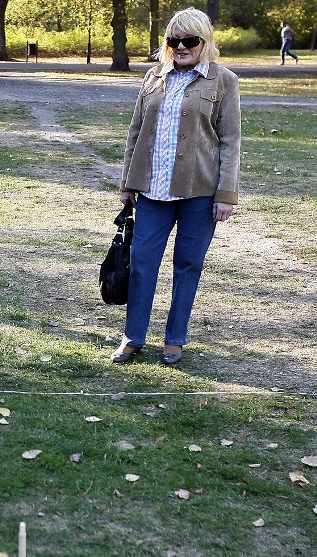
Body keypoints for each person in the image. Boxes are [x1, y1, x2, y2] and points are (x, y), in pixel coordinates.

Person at [112, 7, 241, 366]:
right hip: (152, 191)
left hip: (200, 192)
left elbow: (230, 141)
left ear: (204, 43)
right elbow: (135, 132)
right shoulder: (154, 76)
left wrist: (226, 194)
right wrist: (128, 183)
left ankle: (175, 339)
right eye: (174, 40)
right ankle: (133, 336)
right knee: (141, 263)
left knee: (188, 265)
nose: (181, 46)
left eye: (190, 40)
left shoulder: (224, 81)